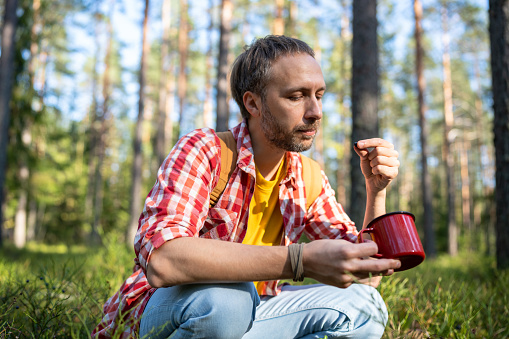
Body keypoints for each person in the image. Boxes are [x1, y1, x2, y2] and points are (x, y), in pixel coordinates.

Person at [92, 35, 401, 339]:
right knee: (228, 300)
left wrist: (377, 190)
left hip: (254, 311)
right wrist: (299, 260)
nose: (315, 112)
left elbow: (365, 276)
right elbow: (163, 260)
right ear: (253, 103)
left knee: (366, 307)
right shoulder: (206, 151)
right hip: (174, 312)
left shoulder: (309, 177)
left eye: (319, 95)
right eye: (296, 96)